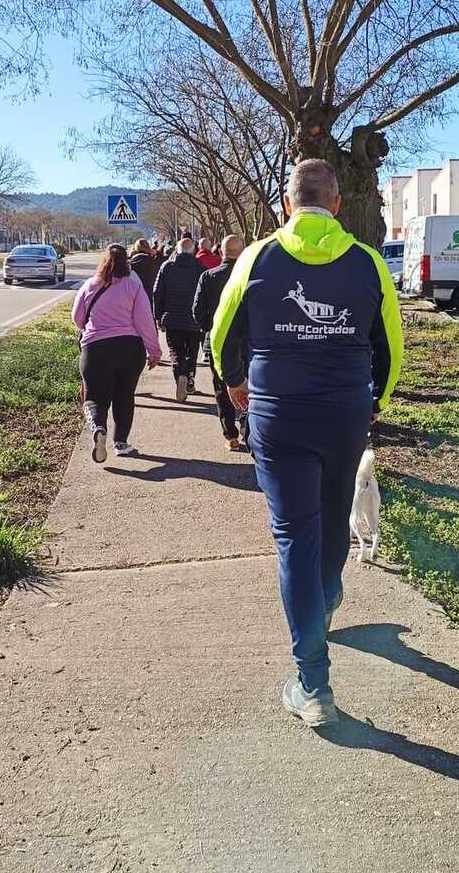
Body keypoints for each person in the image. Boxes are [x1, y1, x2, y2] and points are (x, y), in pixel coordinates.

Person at [211, 159, 403, 729]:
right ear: (338, 205)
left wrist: (236, 385)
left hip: (280, 413)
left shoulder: (258, 256)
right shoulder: (368, 262)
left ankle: (313, 683)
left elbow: (224, 335)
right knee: (330, 516)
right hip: (343, 412)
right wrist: (374, 404)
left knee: (295, 534)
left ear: (288, 205)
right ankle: (323, 602)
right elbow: (391, 347)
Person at [72, 243, 161, 463]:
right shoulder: (133, 287)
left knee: (94, 397)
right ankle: (121, 443)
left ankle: (98, 428)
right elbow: (144, 320)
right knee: (124, 396)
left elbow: (77, 318)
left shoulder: (89, 285)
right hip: (130, 349)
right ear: (126, 263)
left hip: (95, 349)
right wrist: (154, 349)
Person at [193, 233, 247, 451]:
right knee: (246, 382)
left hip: (217, 342)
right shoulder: (249, 275)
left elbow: (197, 311)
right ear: (243, 252)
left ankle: (230, 435)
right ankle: (246, 425)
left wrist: (209, 327)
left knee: (220, 386)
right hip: (247, 342)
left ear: (221, 252)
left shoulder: (208, 276)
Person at [153, 237, 205, 401]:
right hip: (194, 319)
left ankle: (180, 376)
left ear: (177, 249)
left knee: (176, 351)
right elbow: (205, 293)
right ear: (193, 250)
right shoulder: (199, 267)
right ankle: (189, 378)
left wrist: (158, 315)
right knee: (192, 350)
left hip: (172, 317)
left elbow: (157, 292)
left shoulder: (167, 266)